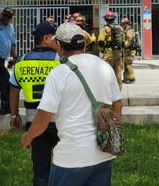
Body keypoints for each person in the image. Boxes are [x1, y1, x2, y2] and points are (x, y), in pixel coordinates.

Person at [21, 22, 122, 186]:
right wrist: (113, 133)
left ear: (59, 45)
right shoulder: (103, 66)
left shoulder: (59, 73)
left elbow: (43, 117)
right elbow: (117, 104)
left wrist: (28, 137)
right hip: (104, 153)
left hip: (72, 157)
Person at [10, 22, 60, 186]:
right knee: (65, 166)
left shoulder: (22, 62)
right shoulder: (60, 61)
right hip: (60, 122)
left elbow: (14, 91)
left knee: (40, 168)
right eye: (55, 38)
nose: (58, 42)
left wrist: (14, 114)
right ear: (46, 38)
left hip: (34, 123)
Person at [98, 11, 124, 89]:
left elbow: (100, 42)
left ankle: (108, 89)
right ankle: (119, 89)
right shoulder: (120, 28)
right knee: (118, 71)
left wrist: (102, 50)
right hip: (119, 53)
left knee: (106, 71)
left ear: (106, 19)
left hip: (109, 53)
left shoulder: (105, 29)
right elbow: (123, 41)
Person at [121, 17, 137, 84]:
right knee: (125, 64)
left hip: (129, 51)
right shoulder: (126, 30)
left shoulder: (129, 30)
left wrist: (123, 45)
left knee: (128, 64)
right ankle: (126, 78)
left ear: (126, 24)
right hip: (127, 50)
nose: (122, 25)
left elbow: (129, 40)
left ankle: (132, 78)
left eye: (123, 24)